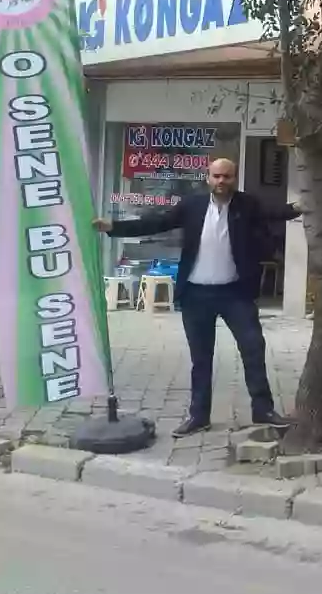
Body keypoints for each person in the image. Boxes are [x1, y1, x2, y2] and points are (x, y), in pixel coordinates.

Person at [93, 158, 300, 438]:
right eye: (217, 176)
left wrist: (299, 207)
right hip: (196, 294)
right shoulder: (192, 205)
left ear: (234, 178)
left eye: (227, 176)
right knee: (201, 359)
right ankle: (199, 416)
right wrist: (113, 227)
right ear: (208, 178)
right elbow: (158, 222)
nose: (221, 181)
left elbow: (273, 212)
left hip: (235, 293)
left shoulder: (246, 204)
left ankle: (263, 410)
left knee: (253, 347)